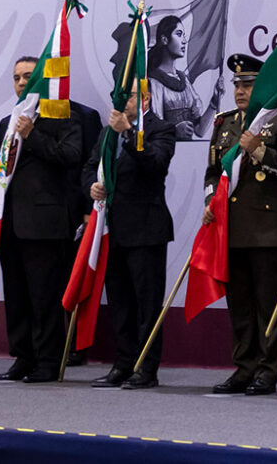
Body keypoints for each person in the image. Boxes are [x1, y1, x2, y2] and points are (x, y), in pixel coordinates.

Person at [205, 54, 277, 396]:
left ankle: (267, 370)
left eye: (248, 85)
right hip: (230, 228)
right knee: (240, 303)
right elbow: (213, 174)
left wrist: (261, 152)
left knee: (268, 305)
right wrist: (209, 202)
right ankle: (243, 367)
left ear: (262, 86)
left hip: (266, 228)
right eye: (237, 85)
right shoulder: (225, 123)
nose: (241, 92)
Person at [0, 56, 82, 384]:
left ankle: (48, 361)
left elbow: (71, 156)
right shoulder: (7, 121)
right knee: (17, 296)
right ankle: (23, 357)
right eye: (17, 78)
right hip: (9, 223)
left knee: (44, 297)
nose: (22, 83)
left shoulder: (62, 116)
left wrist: (34, 134)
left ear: (41, 80)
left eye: (28, 76)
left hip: (44, 225)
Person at [84, 79, 176, 389]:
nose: (124, 101)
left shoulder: (161, 128)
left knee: (146, 303)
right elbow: (90, 166)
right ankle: (122, 364)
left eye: (131, 96)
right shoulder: (107, 132)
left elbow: (155, 163)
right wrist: (91, 186)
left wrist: (127, 131)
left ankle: (146, 367)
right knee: (121, 302)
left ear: (147, 98)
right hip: (114, 228)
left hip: (147, 228)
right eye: (120, 96)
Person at [63, 98, 102, 367]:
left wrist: (89, 208)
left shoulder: (84, 115)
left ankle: (76, 344)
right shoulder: (17, 117)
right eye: (17, 78)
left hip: (77, 213)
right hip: (38, 215)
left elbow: (92, 165)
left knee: (75, 277)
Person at [147, 15, 226, 140]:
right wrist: (174, 130)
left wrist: (214, 102)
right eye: (178, 34)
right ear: (164, 39)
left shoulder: (184, 81)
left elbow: (200, 130)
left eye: (184, 35)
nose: (184, 40)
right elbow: (152, 130)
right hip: (165, 154)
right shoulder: (154, 82)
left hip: (188, 154)